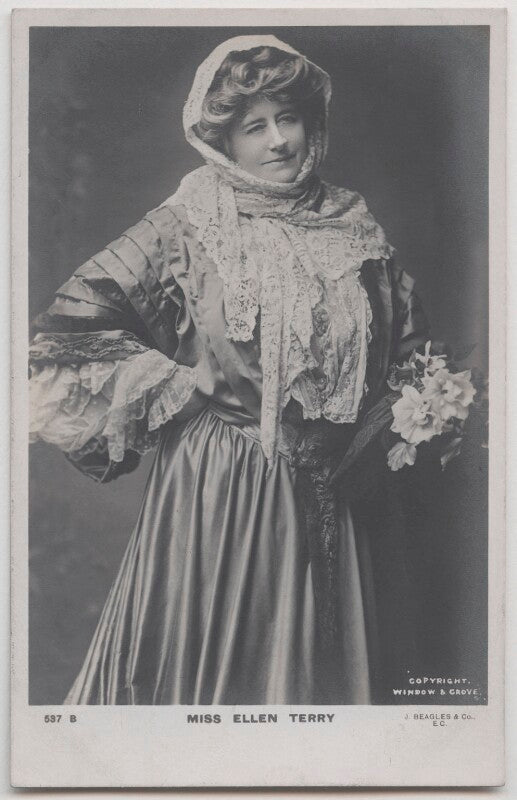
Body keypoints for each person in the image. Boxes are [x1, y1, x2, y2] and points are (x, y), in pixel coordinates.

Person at [29, 35, 429, 705]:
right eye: (255, 126)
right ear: (223, 140)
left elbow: (409, 348)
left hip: (338, 491)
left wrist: (407, 411)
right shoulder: (187, 227)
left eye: (288, 118)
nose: (279, 140)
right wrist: (177, 388)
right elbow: (67, 333)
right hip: (221, 484)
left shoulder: (353, 226)